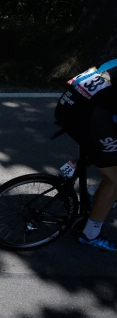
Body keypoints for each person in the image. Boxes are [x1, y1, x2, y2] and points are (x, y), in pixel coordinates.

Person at [54, 58, 117, 251]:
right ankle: (90, 234)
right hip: (88, 116)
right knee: (115, 178)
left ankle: (69, 172)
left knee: (102, 149)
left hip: (69, 104)